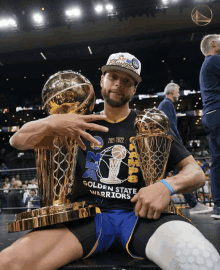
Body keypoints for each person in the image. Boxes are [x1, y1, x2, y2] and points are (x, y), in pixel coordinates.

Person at [0, 52, 220, 270]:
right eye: (113, 77)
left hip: (142, 216)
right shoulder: (75, 123)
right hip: (87, 218)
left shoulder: (149, 124)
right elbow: (18, 140)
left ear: (134, 89)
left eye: (127, 81)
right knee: (8, 262)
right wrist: (53, 121)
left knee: (202, 261)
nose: (118, 84)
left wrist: (166, 186)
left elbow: (196, 172)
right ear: (102, 80)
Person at [158, 83, 213, 214]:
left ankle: (193, 205)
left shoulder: (165, 104)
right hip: (169, 146)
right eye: (177, 91)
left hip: (165, 146)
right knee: (179, 173)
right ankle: (193, 205)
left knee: (167, 176)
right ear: (172, 91)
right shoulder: (166, 104)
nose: (178, 94)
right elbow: (170, 127)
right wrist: (179, 145)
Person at [200, 34, 220, 219]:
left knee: (217, 162)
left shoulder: (207, 63)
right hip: (218, 111)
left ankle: (218, 208)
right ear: (213, 43)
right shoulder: (215, 60)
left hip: (210, 114)